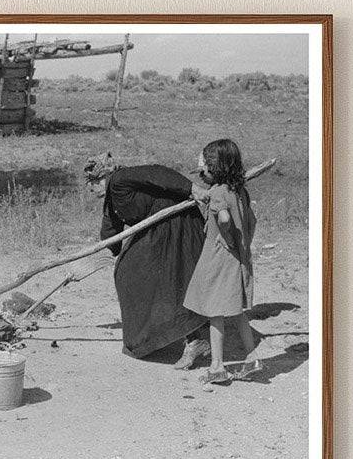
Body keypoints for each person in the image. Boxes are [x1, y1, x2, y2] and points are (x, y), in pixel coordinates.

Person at [84, 153, 210, 365]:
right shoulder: (113, 196)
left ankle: (195, 338)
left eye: (92, 183)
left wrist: (192, 189)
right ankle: (154, 337)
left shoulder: (120, 178)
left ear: (102, 177)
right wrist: (110, 253)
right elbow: (111, 227)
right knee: (126, 271)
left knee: (156, 275)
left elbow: (158, 172)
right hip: (160, 230)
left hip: (177, 225)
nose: (90, 188)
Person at [183, 138, 261, 386]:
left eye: (204, 167)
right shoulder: (240, 191)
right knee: (237, 312)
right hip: (238, 258)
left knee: (215, 313)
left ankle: (217, 366)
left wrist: (226, 239)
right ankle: (252, 358)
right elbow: (252, 220)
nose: (202, 172)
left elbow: (224, 218)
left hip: (219, 259)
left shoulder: (217, 192)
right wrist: (242, 243)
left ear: (213, 168)